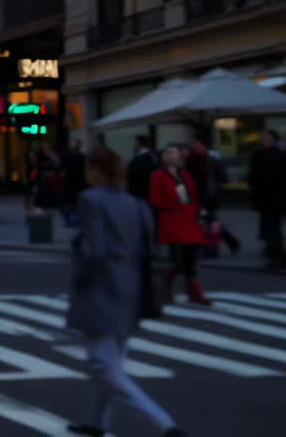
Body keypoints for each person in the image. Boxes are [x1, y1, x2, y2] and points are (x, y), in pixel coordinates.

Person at [66, 147, 186, 437]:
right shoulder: (136, 203)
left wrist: (79, 279)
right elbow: (150, 250)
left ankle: (165, 424)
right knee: (109, 361)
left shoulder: (90, 199)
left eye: (89, 168)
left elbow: (95, 251)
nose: (86, 173)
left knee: (103, 365)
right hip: (131, 289)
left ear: (97, 170)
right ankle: (95, 422)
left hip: (102, 288)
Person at [149, 145, 211, 305]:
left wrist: (200, 215)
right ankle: (195, 293)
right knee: (183, 258)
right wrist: (173, 206)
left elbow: (193, 196)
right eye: (169, 152)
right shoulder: (157, 176)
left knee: (189, 257)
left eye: (175, 153)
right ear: (164, 157)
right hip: (172, 220)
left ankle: (170, 284)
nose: (173, 156)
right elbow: (155, 200)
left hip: (189, 219)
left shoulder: (185, 174)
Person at [250, 130, 286, 269]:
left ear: (273, 139)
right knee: (270, 230)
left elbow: (284, 177)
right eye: (262, 137)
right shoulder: (259, 154)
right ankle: (276, 257)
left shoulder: (278, 155)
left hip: (274, 199)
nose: (263, 139)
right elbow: (254, 177)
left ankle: (279, 258)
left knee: (274, 230)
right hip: (265, 199)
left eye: (266, 137)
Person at [126, 135, 157, 204]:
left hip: (141, 193)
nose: (133, 145)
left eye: (135, 143)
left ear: (140, 144)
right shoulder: (147, 156)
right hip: (141, 192)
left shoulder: (146, 157)